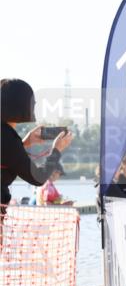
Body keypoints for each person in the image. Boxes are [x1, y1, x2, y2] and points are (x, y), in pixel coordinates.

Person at [1, 78, 73, 216]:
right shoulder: (7, 137)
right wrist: (56, 150)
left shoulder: (6, 136)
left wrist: (25, 142)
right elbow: (38, 177)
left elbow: (6, 156)